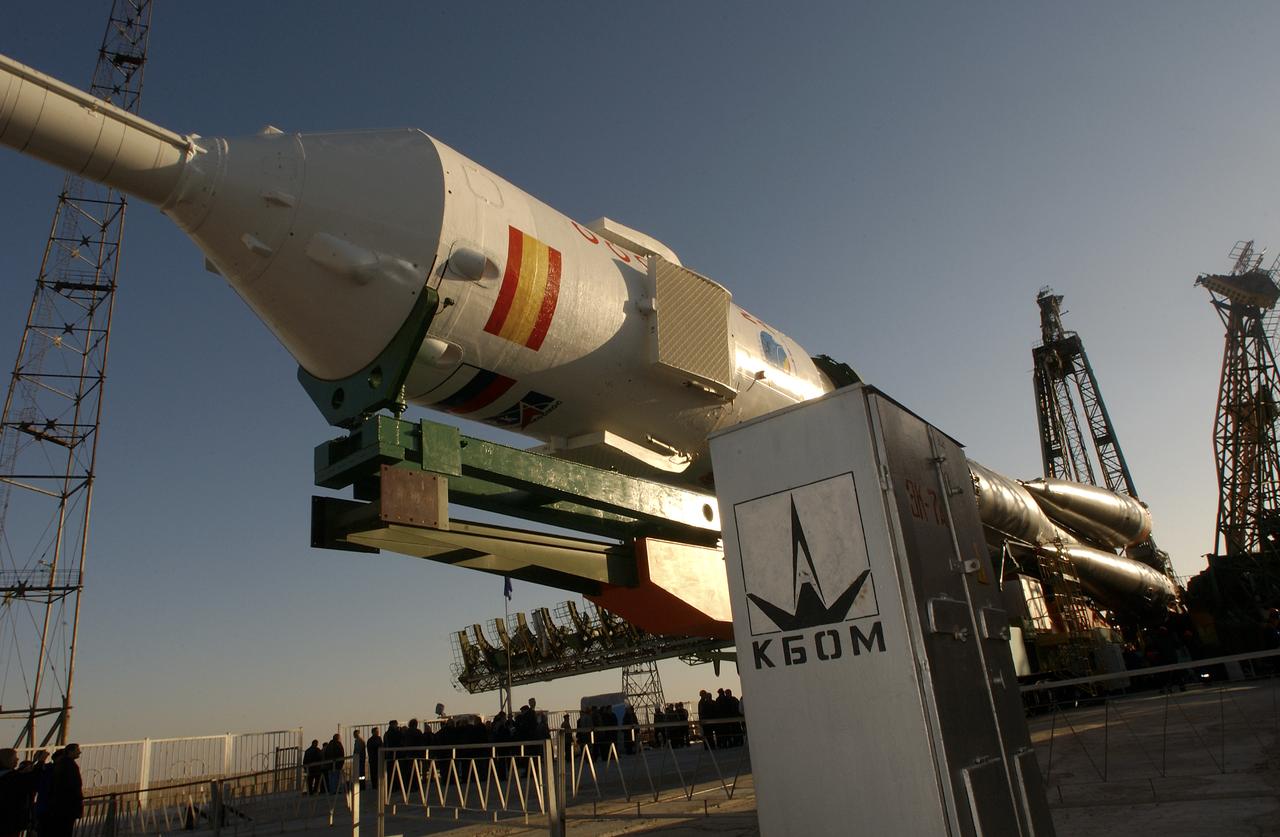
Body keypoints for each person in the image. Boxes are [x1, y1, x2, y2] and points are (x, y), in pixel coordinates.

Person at [0, 747, 45, 837]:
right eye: (14, 757)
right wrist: (40, 762)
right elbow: (32, 781)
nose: (17, 759)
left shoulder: (9, 776)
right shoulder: (12, 778)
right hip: (9, 821)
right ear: (7, 759)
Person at [44, 742, 82, 837]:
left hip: (62, 805)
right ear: (70, 751)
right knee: (65, 830)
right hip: (67, 805)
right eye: (77, 750)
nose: (79, 752)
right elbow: (72, 786)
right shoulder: (68, 765)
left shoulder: (63, 764)